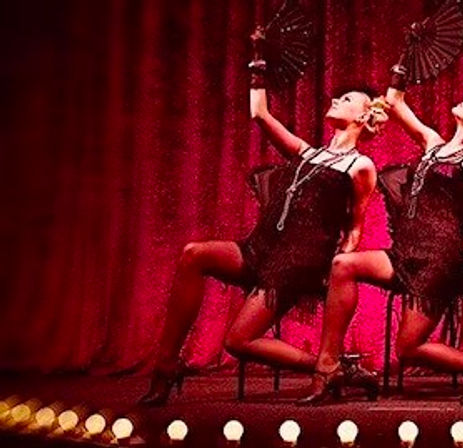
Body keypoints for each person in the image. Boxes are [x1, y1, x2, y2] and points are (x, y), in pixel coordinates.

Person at [138, 29, 384, 406]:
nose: (335, 99)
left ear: (363, 116)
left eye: (346, 99)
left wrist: (337, 269)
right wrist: (258, 60)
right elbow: (259, 114)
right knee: (193, 254)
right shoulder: (307, 152)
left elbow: (355, 226)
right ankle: (166, 366)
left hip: (296, 262)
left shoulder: (360, 166)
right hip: (260, 248)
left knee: (237, 341)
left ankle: (331, 366)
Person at [299, 61, 463, 404]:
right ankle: (327, 368)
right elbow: (395, 103)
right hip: (403, 252)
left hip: (437, 261)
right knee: (343, 265)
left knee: (408, 347)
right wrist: (400, 69)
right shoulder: (432, 141)